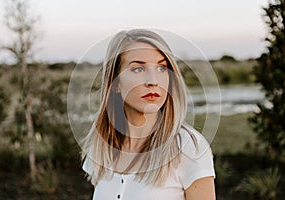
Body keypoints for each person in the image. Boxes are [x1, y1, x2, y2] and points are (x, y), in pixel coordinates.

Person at [81, 29, 216, 200]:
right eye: (138, 69)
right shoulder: (101, 149)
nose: (153, 81)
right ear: (115, 83)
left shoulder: (189, 148)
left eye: (161, 68)